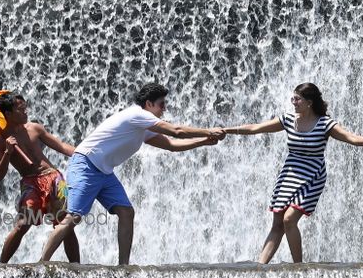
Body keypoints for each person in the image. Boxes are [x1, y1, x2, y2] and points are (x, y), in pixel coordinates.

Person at [39, 83, 227, 265]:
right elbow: (176, 132)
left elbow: (171, 145)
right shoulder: (137, 115)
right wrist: (207, 131)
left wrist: (203, 141)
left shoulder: (142, 126)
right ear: (148, 104)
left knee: (126, 212)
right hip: (86, 164)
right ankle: (42, 262)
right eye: (162, 104)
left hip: (104, 171)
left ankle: (123, 266)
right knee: (74, 216)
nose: (164, 109)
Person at [226, 83, 363, 263]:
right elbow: (256, 128)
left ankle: (298, 268)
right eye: (292, 98)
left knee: (289, 220)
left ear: (309, 102)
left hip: (313, 176)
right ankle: (259, 266)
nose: (293, 102)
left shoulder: (325, 124)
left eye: (297, 99)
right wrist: (227, 130)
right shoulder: (288, 119)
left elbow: (352, 138)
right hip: (289, 173)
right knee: (278, 222)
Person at [0, 92, 80, 263]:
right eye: (21, 109)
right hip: (30, 183)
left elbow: (61, 146)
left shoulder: (35, 128)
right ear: (8, 114)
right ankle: (0, 266)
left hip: (53, 178)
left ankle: (76, 266)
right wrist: (7, 153)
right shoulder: (0, 141)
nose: (26, 112)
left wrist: (85, 154)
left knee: (65, 224)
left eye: (26, 108)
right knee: (22, 223)